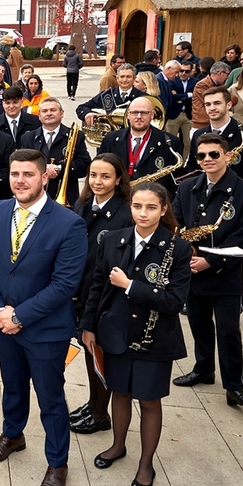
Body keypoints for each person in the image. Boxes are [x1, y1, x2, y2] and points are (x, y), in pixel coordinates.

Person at [0, 148, 87, 486]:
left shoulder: (69, 224)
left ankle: (58, 463)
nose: (20, 181)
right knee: (12, 385)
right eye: (14, 174)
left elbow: (65, 285)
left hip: (45, 330)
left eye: (27, 175)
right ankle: (13, 434)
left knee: (50, 397)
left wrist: (18, 316)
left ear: (44, 177)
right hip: (2, 323)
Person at [79, 182, 190, 486]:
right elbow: (97, 286)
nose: (143, 213)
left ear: (164, 209)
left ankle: (146, 463)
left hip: (154, 339)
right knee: (120, 394)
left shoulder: (177, 248)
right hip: (115, 332)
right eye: (138, 206)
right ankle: (117, 446)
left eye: (151, 207)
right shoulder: (114, 239)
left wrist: (129, 285)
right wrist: (88, 326)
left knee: (150, 401)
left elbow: (174, 301)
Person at [172, 133, 243, 407]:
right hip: (192, 269)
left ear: (227, 156)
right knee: (198, 324)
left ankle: (235, 386)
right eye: (201, 156)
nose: (207, 160)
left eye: (213, 154)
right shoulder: (187, 188)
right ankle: (203, 369)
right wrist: (184, 256)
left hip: (225, 273)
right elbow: (175, 223)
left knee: (228, 331)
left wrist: (211, 262)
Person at [66, 155, 133, 436]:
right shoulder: (83, 204)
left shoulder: (125, 213)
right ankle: (94, 402)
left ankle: (100, 413)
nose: (97, 181)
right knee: (89, 350)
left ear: (118, 179)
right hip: (82, 290)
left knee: (100, 354)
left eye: (105, 176)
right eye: (93, 175)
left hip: (106, 295)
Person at [97, 97, 183, 198]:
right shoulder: (110, 139)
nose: (138, 116)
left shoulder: (170, 142)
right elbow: (100, 170)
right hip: (117, 200)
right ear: (128, 114)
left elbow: (175, 181)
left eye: (144, 113)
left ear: (152, 114)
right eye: (134, 112)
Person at [183, 86, 243, 191]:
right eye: (208, 104)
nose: (212, 108)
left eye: (217, 103)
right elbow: (192, 168)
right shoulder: (198, 135)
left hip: (235, 197)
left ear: (229, 105)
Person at [19, 98, 90, 207]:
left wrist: (59, 168)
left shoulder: (76, 136)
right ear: (39, 115)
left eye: (53, 110)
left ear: (62, 113)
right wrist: (43, 169)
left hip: (67, 199)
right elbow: (22, 166)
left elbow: (84, 165)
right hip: (35, 197)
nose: (49, 114)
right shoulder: (27, 138)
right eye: (44, 111)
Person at [76, 63, 145, 125]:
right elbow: (81, 108)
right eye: (122, 76)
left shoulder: (143, 97)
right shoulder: (108, 95)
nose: (124, 80)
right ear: (117, 78)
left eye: (128, 77)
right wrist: (87, 113)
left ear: (134, 79)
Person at [192, 62, 232, 130]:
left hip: (216, 123)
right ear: (220, 73)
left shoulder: (221, 86)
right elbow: (212, 99)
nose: (227, 77)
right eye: (227, 74)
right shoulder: (201, 85)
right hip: (201, 124)